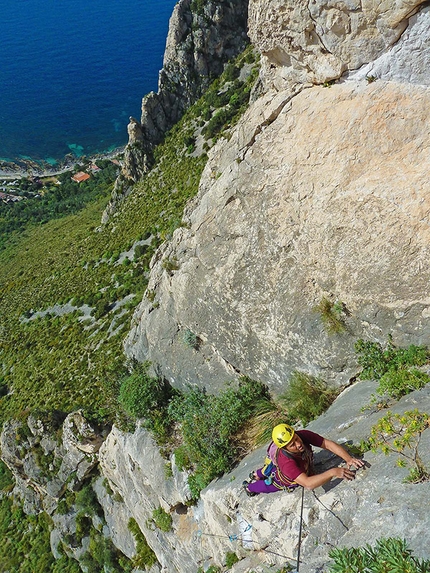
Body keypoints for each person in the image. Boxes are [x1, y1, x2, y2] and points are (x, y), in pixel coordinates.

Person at [243, 423, 365, 496]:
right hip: (286, 477)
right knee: (270, 484)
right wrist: (333, 472)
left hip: (291, 464)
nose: (298, 444)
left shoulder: (302, 435)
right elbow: (308, 484)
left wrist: (348, 459)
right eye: (292, 445)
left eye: (296, 438)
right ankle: (250, 488)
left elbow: (327, 444)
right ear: (285, 448)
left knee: (271, 469)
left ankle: (257, 474)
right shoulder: (286, 462)